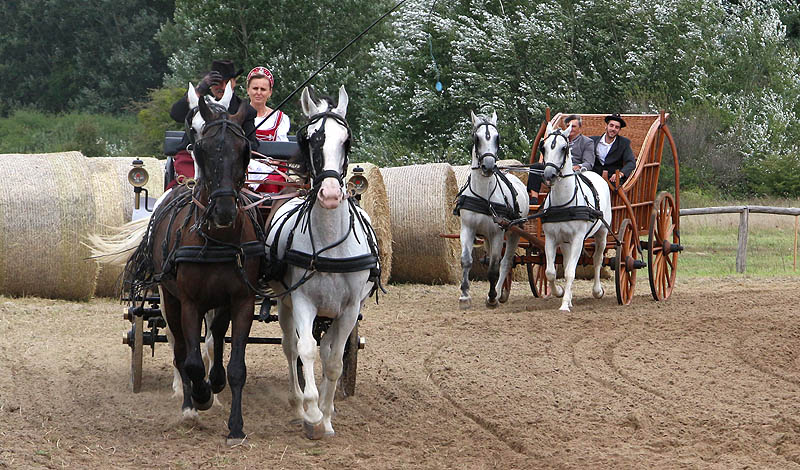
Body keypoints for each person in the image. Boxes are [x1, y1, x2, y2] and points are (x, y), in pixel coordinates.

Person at [166, 59, 258, 190]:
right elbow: (176, 114)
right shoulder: (198, 103)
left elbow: (252, 143)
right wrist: (199, 90)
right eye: (216, 83)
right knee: (183, 188)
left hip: (229, 162)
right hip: (192, 157)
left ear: (234, 82)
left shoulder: (243, 110)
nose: (221, 87)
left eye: (226, 82)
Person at [526, 114, 596, 203]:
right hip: (556, 168)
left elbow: (589, 163)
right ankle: (534, 199)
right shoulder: (558, 140)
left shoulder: (587, 142)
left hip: (573, 172)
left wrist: (578, 166)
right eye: (568, 126)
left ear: (580, 128)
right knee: (535, 167)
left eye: (573, 126)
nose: (570, 128)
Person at [246, 66, 292, 194]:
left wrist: (270, 163)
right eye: (255, 88)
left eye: (263, 89)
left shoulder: (280, 118)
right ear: (248, 90)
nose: (258, 93)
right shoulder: (238, 114)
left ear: (270, 92)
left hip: (270, 168)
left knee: (274, 181)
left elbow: (282, 150)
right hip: (243, 165)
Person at [591, 113, 635, 185]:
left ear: (619, 130)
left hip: (612, 179)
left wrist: (620, 174)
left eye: (617, 127)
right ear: (606, 126)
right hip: (594, 177)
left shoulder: (624, 143)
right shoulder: (592, 140)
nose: (613, 129)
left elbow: (631, 162)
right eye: (611, 126)